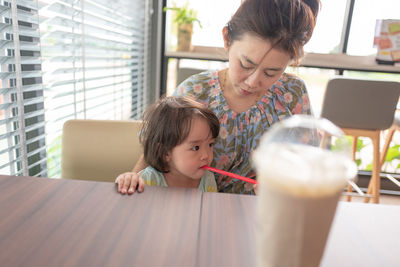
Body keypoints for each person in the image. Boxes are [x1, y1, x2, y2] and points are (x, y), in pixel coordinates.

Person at [116, 0, 321, 195]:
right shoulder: (195, 92)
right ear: (227, 39)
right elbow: (156, 152)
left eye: (271, 73)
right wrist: (132, 183)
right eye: (246, 64)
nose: (252, 82)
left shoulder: (292, 94)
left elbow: (306, 162)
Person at [116, 96, 220, 194]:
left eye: (210, 144)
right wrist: (127, 181)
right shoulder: (147, 180)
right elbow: (126, 204)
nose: (206, 155)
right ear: (165, 152)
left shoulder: (208, 179)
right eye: (195, 147)